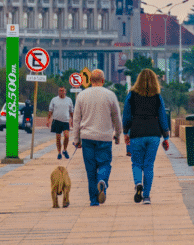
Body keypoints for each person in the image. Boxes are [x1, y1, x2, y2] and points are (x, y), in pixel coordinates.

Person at [71, 69, 123, 206]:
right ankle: (103, 181)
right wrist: (117, 135)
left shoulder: (82, 95)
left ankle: (94, 200)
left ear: (90, 80)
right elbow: (116, 117)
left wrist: (76, 140)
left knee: (90, 169)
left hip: (87, 138)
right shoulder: (110, 95)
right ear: (103, 80)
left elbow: (76, 119)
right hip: (105, 137)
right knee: (105, 164)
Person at [122, 69, 170, 204]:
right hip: (154, 133)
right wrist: (166, 136)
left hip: (137, 132)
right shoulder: (157, 96)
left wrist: (126, 132)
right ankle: (147, 196)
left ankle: (138, 184)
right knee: (149, 165)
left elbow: (126, 114)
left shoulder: (132, 95)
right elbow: (162, 116)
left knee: (136, 163)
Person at [47, 87, 74, 160]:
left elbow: (71, 111)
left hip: (65, 121)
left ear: (65, 92)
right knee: (58, 138)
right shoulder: (54, 100)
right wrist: (48, 119)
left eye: (62, 91)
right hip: (56, 121)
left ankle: (64, 150)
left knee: (66, 136)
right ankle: (59, 153)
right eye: (59, 91)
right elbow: (50, 110)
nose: (61, 92)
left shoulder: (69, 100)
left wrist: (73, 120)